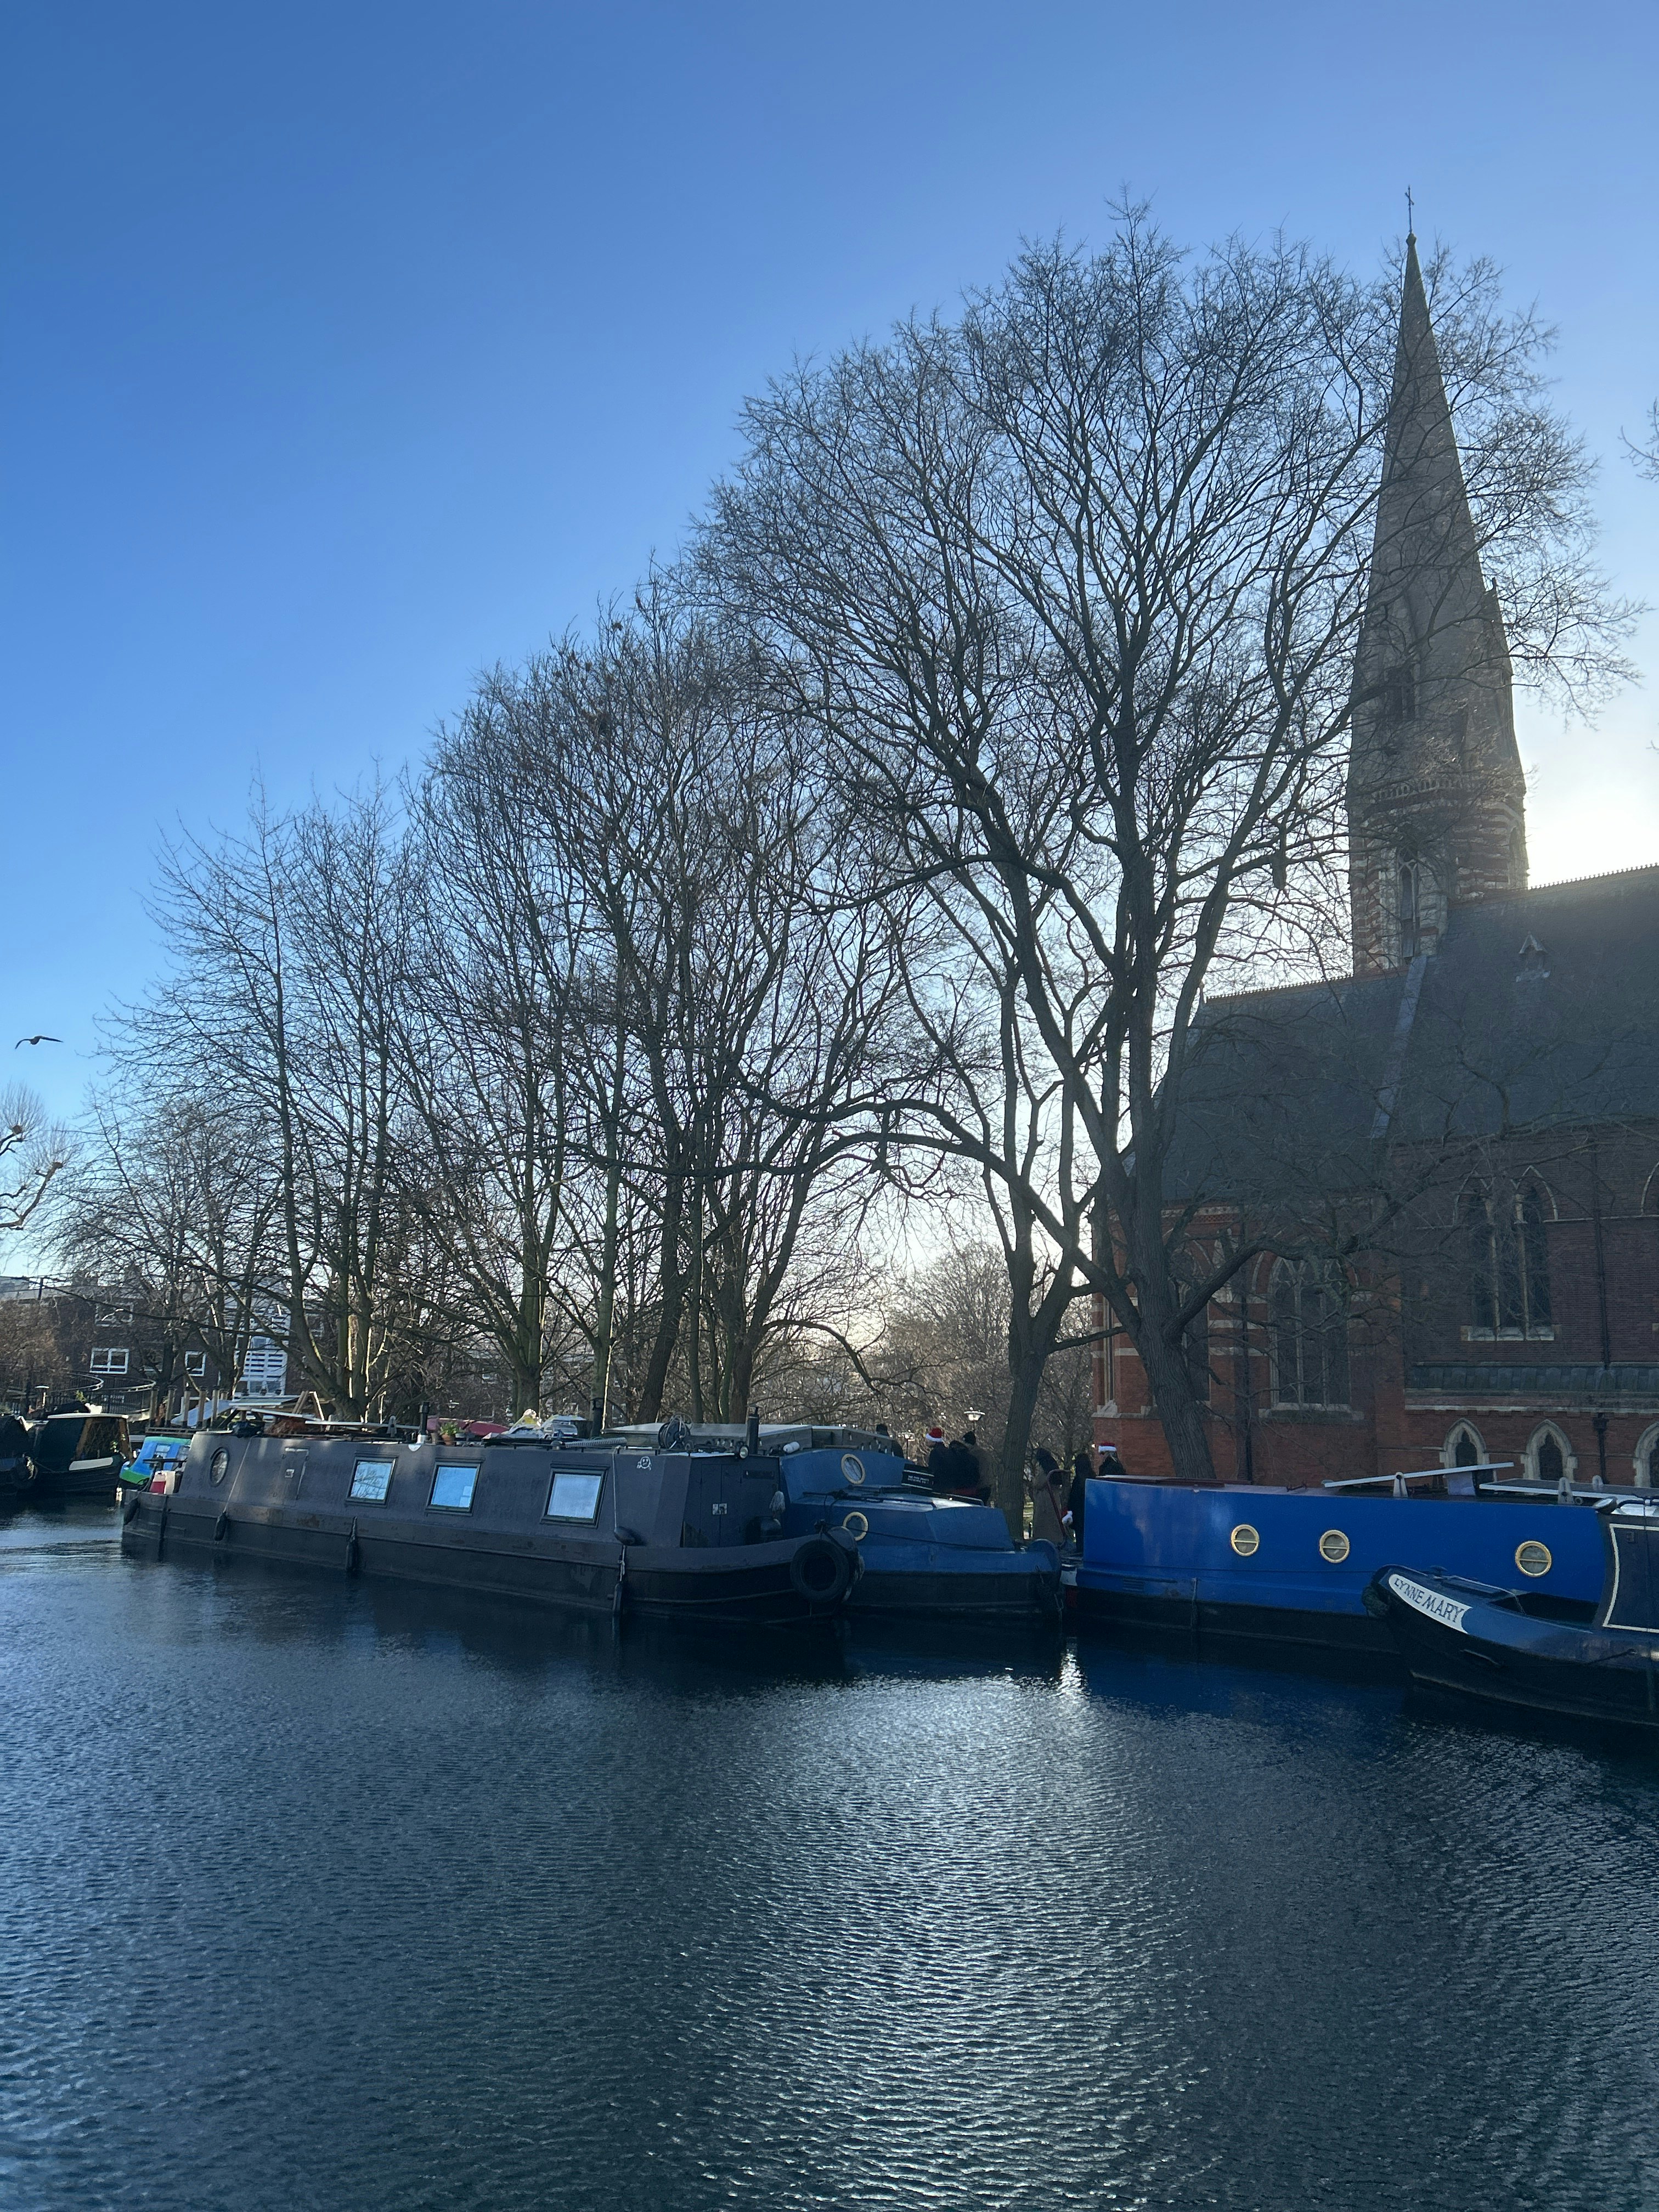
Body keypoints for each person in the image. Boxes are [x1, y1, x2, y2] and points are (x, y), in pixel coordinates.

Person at [1028, 1451, 1066, 1547]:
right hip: (1054, 1498)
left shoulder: (1044, 1468)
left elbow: (1039, 1483)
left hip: (1045, 1500)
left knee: (1044, 1524)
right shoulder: (1053, 1466)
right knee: (1054, 1522)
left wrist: (1033, 1481)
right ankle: (1058, 1541)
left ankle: (1043, 1543)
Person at [1066, 1447, 1096, 1553]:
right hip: (1090, 1512)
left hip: (1079, 1513)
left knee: (1080, 1535)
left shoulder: (1078, 1481)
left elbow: (1074, 1498)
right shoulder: (1093, 1478)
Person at [924, 1425, 953, 1493]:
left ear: (934, 1441)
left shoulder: (935, 1453)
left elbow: (933, 1470)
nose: (927, 1442)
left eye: (929, 1440)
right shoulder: (946, 1451)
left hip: (938, 1486)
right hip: (948, 1485)